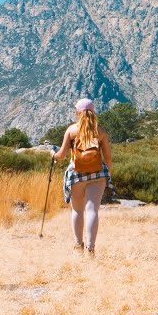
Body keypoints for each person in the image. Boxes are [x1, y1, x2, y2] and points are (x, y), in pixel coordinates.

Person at [52, 98, 114, 255]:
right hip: (98, 174)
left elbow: (61, 155)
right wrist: (108, 174)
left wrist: (52, 154)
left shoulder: (71, 131)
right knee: (92, 210)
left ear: (77, 113)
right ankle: (90, 248)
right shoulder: (100, 131)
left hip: (76, 174)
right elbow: (107, 157)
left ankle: (78, 245)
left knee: (77, 210)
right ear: (93, 112)